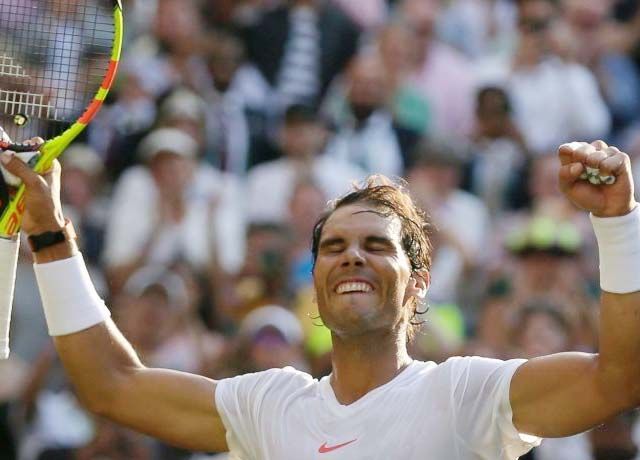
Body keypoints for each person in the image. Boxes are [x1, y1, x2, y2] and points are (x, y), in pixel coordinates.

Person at [1, 137, 640, 459]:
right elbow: (112, 385)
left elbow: (619, 378)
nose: (351, 256)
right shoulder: (267, 403)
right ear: (317, 280)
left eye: (375, 245)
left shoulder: (467, 392)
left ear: (419, 282)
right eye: (332, 247)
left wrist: (620, 224)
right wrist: (51, 234)